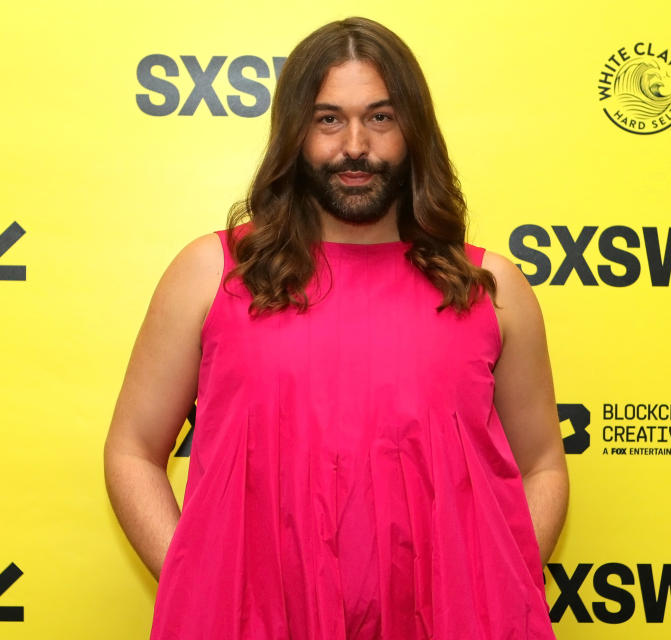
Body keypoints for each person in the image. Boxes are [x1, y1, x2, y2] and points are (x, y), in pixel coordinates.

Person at [104, 16, 568, 640]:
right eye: (328, 119)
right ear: (294, 133)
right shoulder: (211, 273)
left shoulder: (491, 289)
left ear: (414, 130)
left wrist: (491, 590)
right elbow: (132, 451)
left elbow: (543, 465)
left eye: (380, 117)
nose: (355, 145)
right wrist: (205, 585)